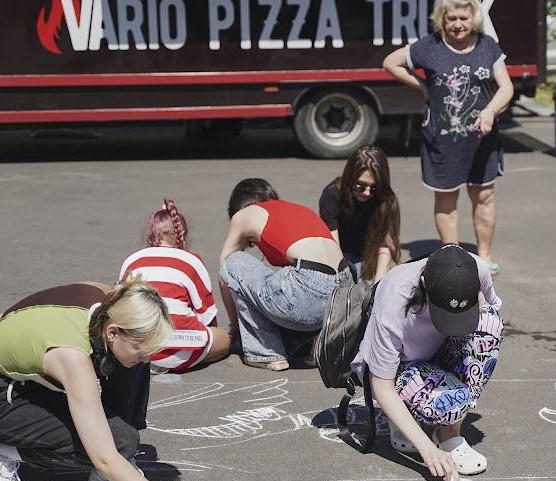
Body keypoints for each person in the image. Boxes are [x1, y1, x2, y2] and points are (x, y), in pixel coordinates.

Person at [0, 280, 211, 481]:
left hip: (14, 377)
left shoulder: (110, 300)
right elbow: (103, 458)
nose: (147, 356)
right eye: (139, 347)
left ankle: (121, 463)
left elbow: (29, 308)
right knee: (118, 443)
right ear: (112, 332)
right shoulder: (73, 358)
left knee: (132, 366)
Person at [352, 244, 503, 481]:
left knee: (490, 326)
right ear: (424, 283)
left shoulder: (478, 269)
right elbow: (381, 387)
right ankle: (403, 417)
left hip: (436, 351)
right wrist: (427, 450)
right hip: (401, 367)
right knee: (443, 403)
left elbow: (492, 309)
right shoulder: (395, 298)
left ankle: (449, 433)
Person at [382, 0, 514, 274]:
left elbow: (506, 88)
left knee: (485, 195)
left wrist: (490, 111)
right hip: (442, 140)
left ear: (473, 18)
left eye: (463, 18)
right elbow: (390, 63)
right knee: (446, 198)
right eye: (451, 18)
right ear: (441, 18)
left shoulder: (487, 46)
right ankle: (453, 258)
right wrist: (423, 88)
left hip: (482, 140)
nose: (457, 24)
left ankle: (485, 256)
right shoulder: (428, 47)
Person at [219, 178, 353, 371]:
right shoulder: (294, 210)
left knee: (233, 262)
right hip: (343, 295)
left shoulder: (243, 215)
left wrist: (235, 326)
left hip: (309, 291)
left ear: (237, 207)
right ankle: (315, 343)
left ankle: (266, 353)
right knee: (278, 281)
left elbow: (225, 274)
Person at [119, 199, 231, 373]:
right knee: (223, 339)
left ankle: (154, 361)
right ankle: (173, 361)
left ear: (150, 234)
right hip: (181, 351)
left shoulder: (132, 260)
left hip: (136, 350)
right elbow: (207, 316)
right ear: (182, 233)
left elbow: (122, 305)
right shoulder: (191, 261)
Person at [318, 145, 401, 283]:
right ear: (350, 178)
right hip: (338, 254)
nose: (367, 193)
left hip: (369, 256)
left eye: (374, 188)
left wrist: (377, 287)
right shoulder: (332, 195)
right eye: (360, 186)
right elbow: (333, 247)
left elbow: (386, 245)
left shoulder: (386, 198)